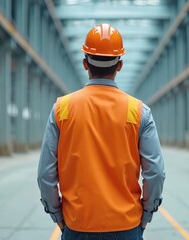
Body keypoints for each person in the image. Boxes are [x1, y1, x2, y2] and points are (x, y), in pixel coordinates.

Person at [37, 23, 165, 240]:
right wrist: (146, 216)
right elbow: (155, 173)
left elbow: (45, 175)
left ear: (85, 63)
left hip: (78, 225)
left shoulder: (62, 109)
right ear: (120, 65)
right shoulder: (138, 111)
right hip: (126, 226)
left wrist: (57, 215)